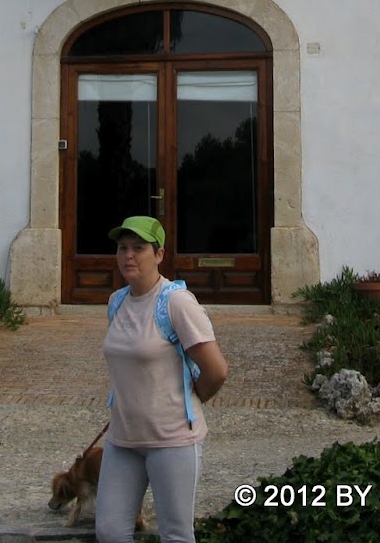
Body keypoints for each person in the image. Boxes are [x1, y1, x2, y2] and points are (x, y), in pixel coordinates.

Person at [96, 215, 229, 543]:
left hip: (172, 440)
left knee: (175, 535)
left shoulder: (176, 302)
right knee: (110, 532)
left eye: (138, 248)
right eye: (122, 248)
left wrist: (190, 400)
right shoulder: (116, 302)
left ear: (159, 254)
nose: (128, 256)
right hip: (123, 438)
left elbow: (216, 370)